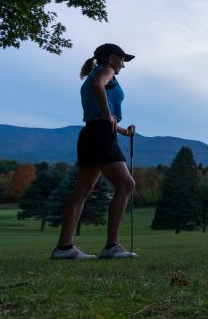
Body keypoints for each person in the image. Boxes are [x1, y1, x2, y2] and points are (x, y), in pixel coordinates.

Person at [51, 44, 138, 259]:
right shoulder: (104, 72)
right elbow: (99, 90)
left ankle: (64, 248)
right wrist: (110, 115)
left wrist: (123, 131)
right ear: (111, 59)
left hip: (91, 133)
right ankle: (112, 247)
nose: (123, 65)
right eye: (121, 59)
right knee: (127, 184)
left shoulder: (93, 73)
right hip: (100, 136)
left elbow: (98, 116)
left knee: (80, 192)